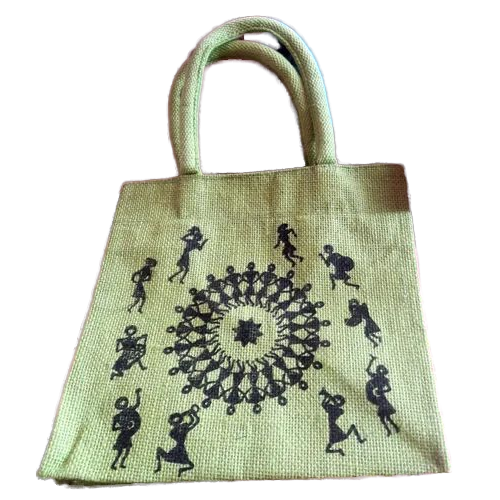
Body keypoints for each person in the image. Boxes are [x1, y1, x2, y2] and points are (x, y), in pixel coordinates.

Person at [155, 404, 200, 476]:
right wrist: (190, 413)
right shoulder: (179, 429)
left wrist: (191, 414)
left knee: (190, 464)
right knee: (190, 464)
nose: (184, 424)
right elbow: (192, 421)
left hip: (179, 448)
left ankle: (160, 467)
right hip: (179, 448)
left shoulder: (182, 429)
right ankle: (159, 467)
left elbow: (194, 422)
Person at [319, 389, 366, 455]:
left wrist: (327, 396)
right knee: (331, 446)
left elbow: (325, 404)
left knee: (332, 444)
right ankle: (358, 440)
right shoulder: (333, 408)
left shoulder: (337, 410)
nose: (335, 401)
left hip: (333, 426)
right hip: (332, 426)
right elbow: (324, 404)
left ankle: (359, 440)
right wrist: (327, 396)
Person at [365, 355, 400, 436]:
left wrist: (381, 391)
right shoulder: (375, 376)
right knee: (384, 416)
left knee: (385, 416)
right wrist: (371, 361)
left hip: (381, 398)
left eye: (381, 370)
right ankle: (391, 429)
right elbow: (368, 370)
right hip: (375, 397)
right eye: (379, 370)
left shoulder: (384, 379)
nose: (379, 372)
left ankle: (393, 429)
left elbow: (389, 388)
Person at [111, 388, 142, 470]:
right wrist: (121, 427)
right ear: (118, 406)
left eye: (124, 403)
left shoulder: (130, 410)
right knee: (120, 452)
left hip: (128, 435)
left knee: (127, 450)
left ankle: (122, 463)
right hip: (122, 435)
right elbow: (113, 428)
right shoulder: (118, 417)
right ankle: (114, 464)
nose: (123, 405)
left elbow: (137, 403)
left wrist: (137, 394)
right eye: (121, 404)